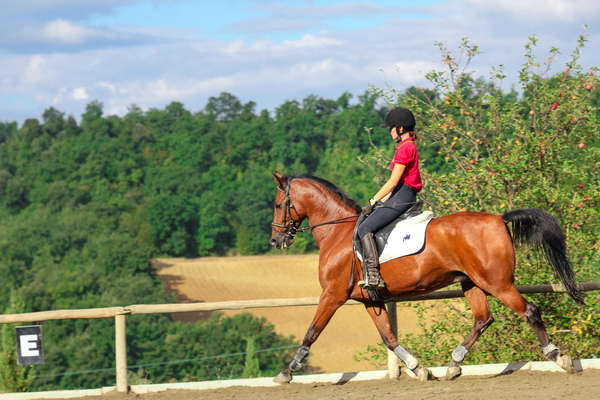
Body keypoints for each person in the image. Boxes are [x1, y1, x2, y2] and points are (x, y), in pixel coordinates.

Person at [357, 106, 423, 291]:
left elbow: (393, 181)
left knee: (365, 228)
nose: (389, 131)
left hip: (403, 194)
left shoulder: (405, 149)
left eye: (391, 127)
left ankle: (373, 275)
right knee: (368, 220)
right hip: (400, 194)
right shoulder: (405, 146)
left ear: (400, 128)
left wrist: (372, 200)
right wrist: (378, 202)